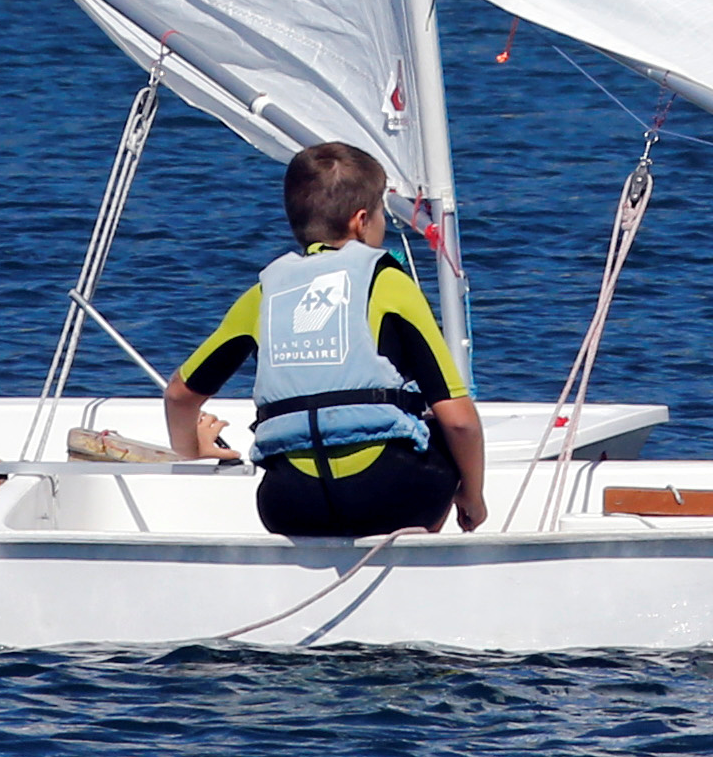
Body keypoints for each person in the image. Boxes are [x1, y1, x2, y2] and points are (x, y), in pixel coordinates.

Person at [165, 142, 486, 540]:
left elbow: (179, 394)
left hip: (289, 505)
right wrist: (473, 495)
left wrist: (191, 451)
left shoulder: (263, 295)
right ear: (361, 220)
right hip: (390, 497)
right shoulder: (388, 283)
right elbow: (460, 422)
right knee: (438, 429)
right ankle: (411, 559)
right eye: (382, 214)